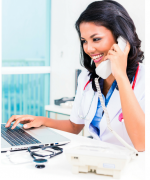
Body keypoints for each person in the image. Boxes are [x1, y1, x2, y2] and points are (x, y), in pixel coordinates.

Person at [5, 0, 145, 151]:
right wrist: (42, 120)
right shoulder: (87, 78)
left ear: (121, 39)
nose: (89, 49)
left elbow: (142, 143)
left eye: (96, 39)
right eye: (84, 41)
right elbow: (74, 126)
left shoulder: (144, 79)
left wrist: (121, 77)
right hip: (97, 161)